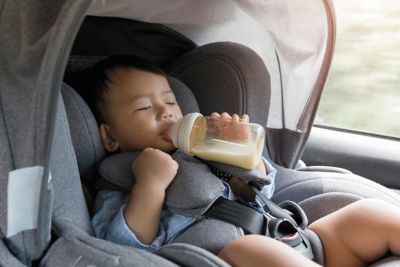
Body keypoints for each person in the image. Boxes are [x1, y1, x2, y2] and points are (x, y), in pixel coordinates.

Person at [79, 55, 400, 267]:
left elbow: (264, 192)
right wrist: (150, 185)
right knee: (246, 250)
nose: (165, 112)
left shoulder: (200, 154)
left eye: (169, 101)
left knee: (367, 214)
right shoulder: (120, 183)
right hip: (234, 258)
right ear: (109, 138)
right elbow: (123, 246)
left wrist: (239, 151)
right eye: (143, 109)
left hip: (290, 239)